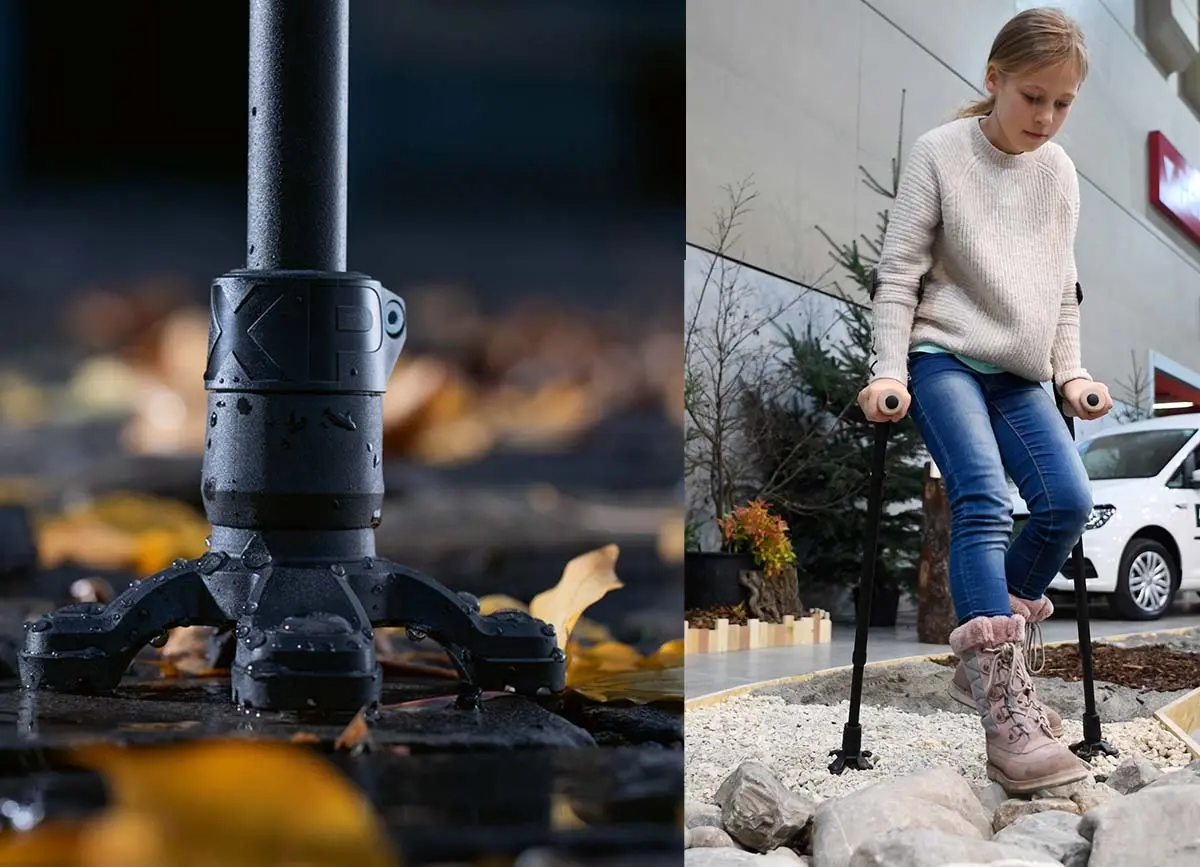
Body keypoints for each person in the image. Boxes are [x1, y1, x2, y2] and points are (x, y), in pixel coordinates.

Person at [856, 7, 1113, 795]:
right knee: (980, 499)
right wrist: (887, 368)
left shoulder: (1059, 173)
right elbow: (900, 274)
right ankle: (1006, 710)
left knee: (1067, 501)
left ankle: (986, 647)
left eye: (1063, 103)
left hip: (1019, 370)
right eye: (1034, 96)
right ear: (994, 79)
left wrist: (1071, 373)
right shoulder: (940, 153)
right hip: (940, 358)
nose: (1046, 117)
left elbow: (1061, 289)